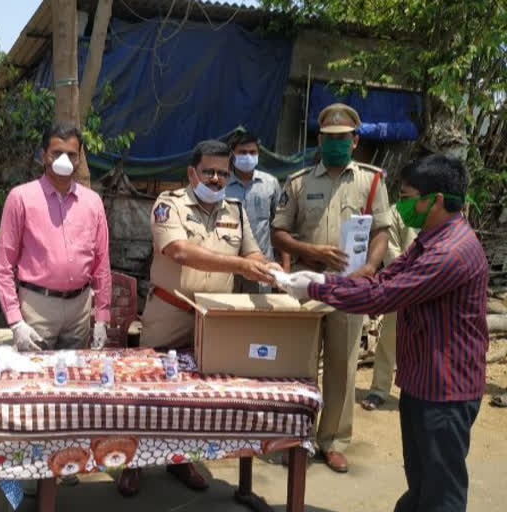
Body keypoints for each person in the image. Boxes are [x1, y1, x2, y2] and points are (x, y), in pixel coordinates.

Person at [282, 154, 488, 512]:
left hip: (446, 389)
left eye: (408, 198)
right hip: (423, 382)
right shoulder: (429, 240)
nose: (401, 206)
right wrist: (324, 279)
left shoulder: (451, 251)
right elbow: (384, 278)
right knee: (422, 484)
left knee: (442, 492)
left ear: (435, 200)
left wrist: (315, 290)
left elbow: (384, 295)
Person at [116, 140, 281, 497]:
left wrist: (272, 270)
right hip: (169, 313)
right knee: (151, 391)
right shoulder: (169, 204)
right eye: (210, 171)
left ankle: (181, 458)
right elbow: (178, 250)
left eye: (224, 172)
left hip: (215, 320)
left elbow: (252, 252)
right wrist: (240, 265)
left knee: (197, 397)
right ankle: (135, 463)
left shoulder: (235, 210)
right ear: (192, 173)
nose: (218, 179)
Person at [270, 103, 391, 473]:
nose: (335, 144)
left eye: (342, 138)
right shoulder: (299, 182)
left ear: (354, 141)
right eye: (328, 138)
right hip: (309, 285)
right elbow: (279, 233)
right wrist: (311, 251)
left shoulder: (372, 182)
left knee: (342, 365)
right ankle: (298, 437)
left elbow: (381, 232)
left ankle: (333, 441)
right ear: (318, 140)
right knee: (301, 366)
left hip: (350, 290)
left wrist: (369, 268)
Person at [0, 121, 111, 354]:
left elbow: (102, 264)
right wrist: (16, 321)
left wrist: (102, 317)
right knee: (34, 381)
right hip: (37, 307)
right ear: (43, 155)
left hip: (80, 308)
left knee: (74, 381)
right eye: (57, 153)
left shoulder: (92, 202)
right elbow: (3, 265)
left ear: (79, 158)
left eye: (71, 154)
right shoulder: (21, 198)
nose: (64, 160)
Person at [361, 196, 419, 411]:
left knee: (431, 342)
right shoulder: (396, 211)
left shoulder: (446, 211)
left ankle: (419, 393)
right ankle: (379, 389)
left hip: (437, 285)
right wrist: (415, 277)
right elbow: (391, 251)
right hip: (403, 284)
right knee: (390, 338)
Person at [225, 132, 290, 292]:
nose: (248, 156)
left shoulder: (270, 183)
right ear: (232, 155)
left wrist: (286, 267)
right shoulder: (222, 185)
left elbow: (280, 226)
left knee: (258, 314)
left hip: (262, 268)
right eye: (242, 152)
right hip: (227, 269)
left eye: (252, 152)